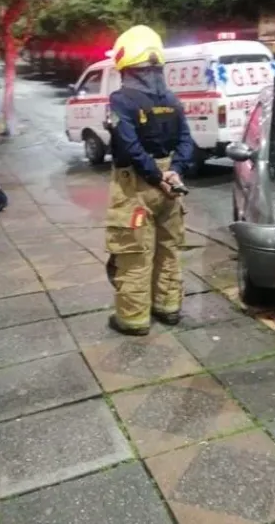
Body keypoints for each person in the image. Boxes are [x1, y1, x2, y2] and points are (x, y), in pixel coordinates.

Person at [103, 25, 195, 336]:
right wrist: (174, 172)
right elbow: (185, 140)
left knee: (134, 254)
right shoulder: (172, 98)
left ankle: (133, 319)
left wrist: (156, 177)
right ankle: (168, 307)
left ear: (126, 63)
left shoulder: (121, 99)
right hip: (171, 183)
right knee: (169, 247)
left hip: (136, 186)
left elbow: (129, 145)